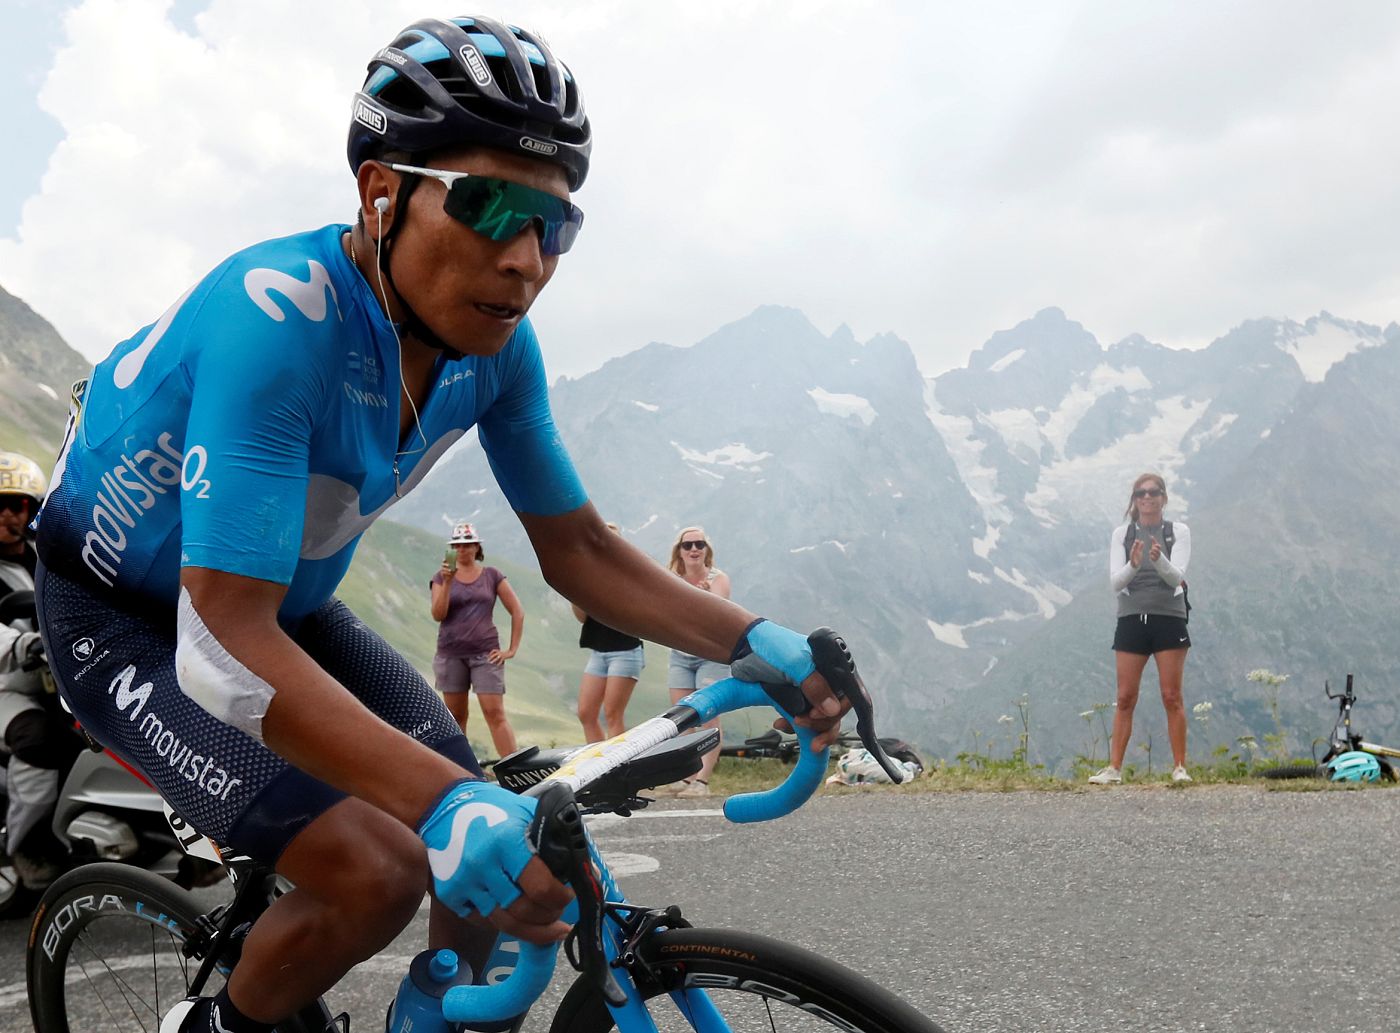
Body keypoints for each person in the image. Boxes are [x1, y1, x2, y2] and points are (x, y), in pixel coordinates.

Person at [30, 18, 850, 1033]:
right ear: (383, 192)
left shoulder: (497, 349)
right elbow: (218, 646)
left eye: (555, 225)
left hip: (281, 605)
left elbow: (580, 550)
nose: (525, 259)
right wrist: (441, 804)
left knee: (509, 875)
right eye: (490, 207)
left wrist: (756, 641)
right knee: (375, 873)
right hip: (136, 620)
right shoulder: (275, 318)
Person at [0, 451, 83, 889]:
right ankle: (26, 845)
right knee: (39, 738)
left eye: (15, 504)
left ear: (30, 508)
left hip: (58, 675)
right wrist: (21, 644)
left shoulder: (46, 553)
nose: (6, 514)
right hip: (7, 689)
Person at [1089, 473, 1193, 785]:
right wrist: (1135, 564)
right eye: (1141, 493)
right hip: (1132, 618)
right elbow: (1115, 582)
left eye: (1153, 492)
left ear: (1164, 497)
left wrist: (1159, 560)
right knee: (1124, 697)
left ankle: (1179, 768)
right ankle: (1114, 769)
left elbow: (1178, 578)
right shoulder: (1122, 533)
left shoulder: (1179, 532)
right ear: (1134, 500)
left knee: (1171, 695)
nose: (1147, 498)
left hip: (1169, 617)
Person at [430, 521, 521, 758]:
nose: (463, 549)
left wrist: (511, 650)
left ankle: (514, 768)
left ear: (477, 547)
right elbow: (438, 614)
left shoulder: (492, 575)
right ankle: (461, 769)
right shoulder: (440, 578)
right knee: (456, 716)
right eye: (457, 545)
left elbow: (517, 610)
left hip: (486, 653)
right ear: (451, 549)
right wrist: (449, 582)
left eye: (468, 544)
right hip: (450, 654)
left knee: (494, 712)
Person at [659, 526, 732, 798]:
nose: (693, 550)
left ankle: (703, 781)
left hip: (711, 655)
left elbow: (716, 610)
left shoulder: (718, 578)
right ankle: (687, 776)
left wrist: (703, 595)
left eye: (699, 544)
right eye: (687, 545)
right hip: (680, 654)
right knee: (682, 716)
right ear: (679, 550)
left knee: (709, 715)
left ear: (706, 550)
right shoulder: (672, 579)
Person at [571, 522, 643, 742]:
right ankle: (598, 766)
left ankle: (618, 769)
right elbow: (582, 617)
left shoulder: (627, 575)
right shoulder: (587, 576)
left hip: (626, 650)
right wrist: (577, 592)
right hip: (599, 652)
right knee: (586, 713)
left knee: (612, 713)